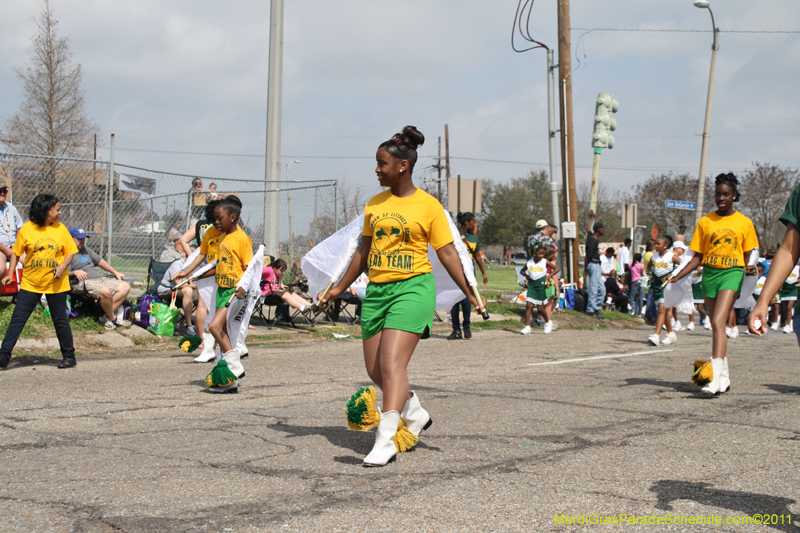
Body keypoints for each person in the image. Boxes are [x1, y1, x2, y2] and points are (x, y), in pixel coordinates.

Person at [317, 126, 484, 467]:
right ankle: (415, 412)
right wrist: (337, 287)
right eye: (377, 163)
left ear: (402, 166)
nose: (377, 169)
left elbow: (449, 253)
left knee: (393, 364)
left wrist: (470, 291)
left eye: (382, 164)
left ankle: (386, 437)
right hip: (378, 291)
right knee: (376, 370)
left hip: (413, 289)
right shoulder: (375, 204)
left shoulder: (429, 206)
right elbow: (363, 252)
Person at [671, 173, 758, 396]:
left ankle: (711, 380)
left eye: (726, 194)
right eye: (718, 194)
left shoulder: (744, 222)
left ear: (734, 196)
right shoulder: (705, 221)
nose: (721, 198)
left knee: (719, 320)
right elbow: (697, 255)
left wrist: (749, 267)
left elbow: (750, 253)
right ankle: (724, 378)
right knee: (715, 324)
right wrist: (678, 275)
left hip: (732, 273)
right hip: (710, 274)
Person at [176, 199, 252, 391]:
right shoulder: (222, 238)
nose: (215, 223)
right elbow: (216, 265)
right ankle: (227, 380)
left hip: (235, 291)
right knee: (222, 332)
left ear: (233, 217)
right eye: (214, 218)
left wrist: (244, 286)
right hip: (221, 289)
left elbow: (250, 268)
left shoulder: (241, 239)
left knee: (214, 327)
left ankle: (235, 367)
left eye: (219, 219)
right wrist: (189, 274)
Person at [0, 194, 79, 369]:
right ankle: (3, 355)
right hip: (31, 283)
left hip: (56, 284)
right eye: (56, 209)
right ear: (45, 211)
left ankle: (69, 356)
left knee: (60, 320)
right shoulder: (28, 229)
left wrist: (62, 267)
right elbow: (16, 253)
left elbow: (70, 252)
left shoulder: (61, 229)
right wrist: (10, 272)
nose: (60, 212)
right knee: (18, 319)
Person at [67, 227, 132, 330]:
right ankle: (113, 318)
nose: (83, 241)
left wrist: (115, 272)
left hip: (98, 280)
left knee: (125, 286)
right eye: (79, 239)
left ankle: (104, 318)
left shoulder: (85, 249)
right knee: (105, 291)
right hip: (82, 282)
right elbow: (62, 272)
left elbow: (100, 261)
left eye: (84, 238)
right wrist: (74, 272)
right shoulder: (67, 252)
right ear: (70, 239)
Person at [447, 212, 487, 340]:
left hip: (469, 272)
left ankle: (467, 326)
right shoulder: (455, 234)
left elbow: (477, 256)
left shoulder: (474, 237)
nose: (475, 225)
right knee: (454, 301)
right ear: (467, 223)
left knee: (467, 301)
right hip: (456, 271)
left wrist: (483, 273)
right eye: (473, 222)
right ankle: (456, 330)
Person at [156, 255, 199, 337]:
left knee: (204, 293)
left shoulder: (199, 266)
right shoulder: (178, 265)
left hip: (183, 291)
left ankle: (203, 326)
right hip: (167, 290)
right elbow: (179, 284)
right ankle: (189, 326)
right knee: (188, 290)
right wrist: (197, 286)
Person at [520, 245, 559, 335]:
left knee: (540, 308)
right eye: (540, 254)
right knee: (529, 305)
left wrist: (548, 276)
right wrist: (527, 276)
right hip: (532, 286)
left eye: (543, 254)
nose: (542, 256)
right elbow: (522, 271)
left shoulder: (544, 262)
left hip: (540, 286)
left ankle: (548, 322)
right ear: (534, 254)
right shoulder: (529, 263)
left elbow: (557, 269)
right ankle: (527, 327)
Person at [647, 235, 678, 346]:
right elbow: (649, 265)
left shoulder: (671, 256)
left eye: (658, 244)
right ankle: (671, 333)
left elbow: (683, 266)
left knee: (661, 309)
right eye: (655, 243)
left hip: (667, 286)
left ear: (666, 245)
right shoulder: (654, 256)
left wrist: (672, 274)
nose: (655, 245)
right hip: (656, 286)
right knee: (663, 313)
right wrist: (650, 273)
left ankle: (656, 335)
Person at [0, 179, 24, 281]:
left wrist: (17, 246)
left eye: (4, 191)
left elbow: (20, 227)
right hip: (1, 249)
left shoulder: (10, 208)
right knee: (0, 269)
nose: (2, 193)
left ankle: (28, 294)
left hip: (14, 247)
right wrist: (6, 249)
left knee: (35, 263)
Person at [584, 219, 605, 319]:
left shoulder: (591, 236)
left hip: (596, 266)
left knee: (602, 290)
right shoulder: (593, 241)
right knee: (594, 289)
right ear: (598, 230)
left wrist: (591, 218)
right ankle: (590, 310)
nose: (603, 230)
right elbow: (587, 257)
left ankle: (596, 308)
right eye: (602, 229)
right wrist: (585, 270)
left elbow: (588, 228)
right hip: (593, 265)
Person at [778, 264, 799, 334]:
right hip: (785, 288)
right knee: (784, 308)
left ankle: (788, 324)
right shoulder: (785, 266)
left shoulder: (798, 267)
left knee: (789, 307)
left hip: (793, 289)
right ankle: (789, 320)